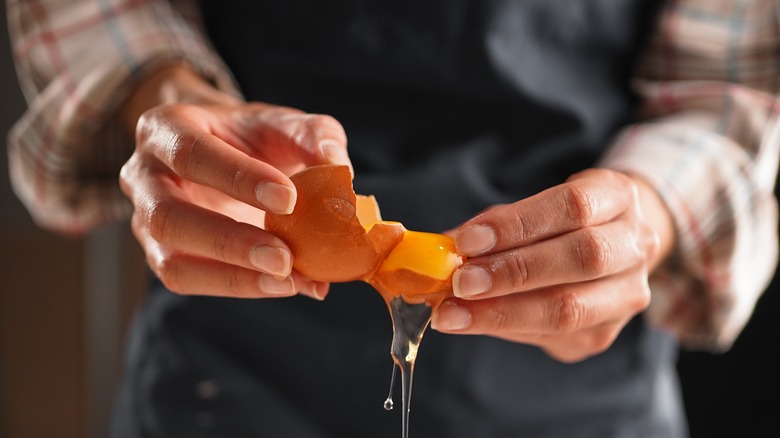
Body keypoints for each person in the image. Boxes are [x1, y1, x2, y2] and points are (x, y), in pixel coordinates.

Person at [6, 0, 779, 436]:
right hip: (231, 377)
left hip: (583, 401)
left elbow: (726, 92)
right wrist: (162, 92)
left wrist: (639, 217)